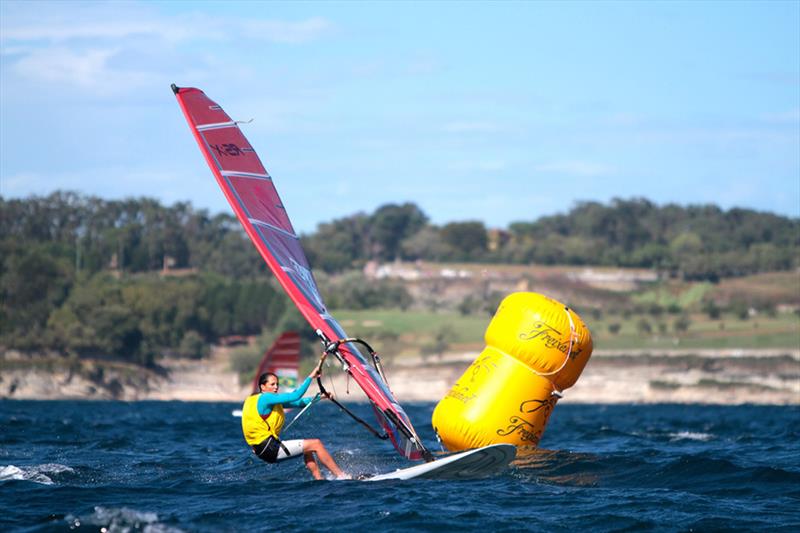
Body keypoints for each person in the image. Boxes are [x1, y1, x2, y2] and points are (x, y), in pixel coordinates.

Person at [241, 354, 349, 480]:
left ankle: (319, 479)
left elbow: (297, 403)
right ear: (263, 387)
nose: (276, 387)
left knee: (308, 448)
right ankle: (342, 476)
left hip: (263, 450)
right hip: (269, 448)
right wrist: (311, 377)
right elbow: (295, 396)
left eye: (277, 384)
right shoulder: (265, 398)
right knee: (316, 444)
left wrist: (320, 397)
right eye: (272, 384)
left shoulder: (257, 400)